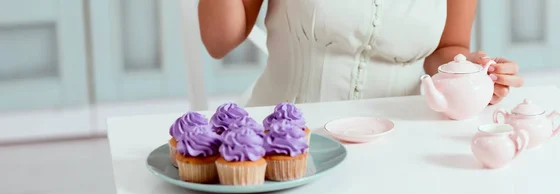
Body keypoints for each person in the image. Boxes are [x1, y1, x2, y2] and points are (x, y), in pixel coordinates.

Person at [198, 0, 524, 107]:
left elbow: (447, 49)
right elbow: (218, 41)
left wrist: (474, 71)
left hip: (403, 150)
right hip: (282, 148)